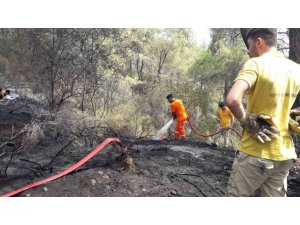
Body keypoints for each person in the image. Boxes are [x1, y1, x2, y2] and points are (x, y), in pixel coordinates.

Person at [225, 28, 300, 197]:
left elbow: (233, 100)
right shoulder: (296, 69)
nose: (248, 50)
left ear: (259, 42)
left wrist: (246, 122)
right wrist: (291, 115)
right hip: (284, 155)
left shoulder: (256, 64)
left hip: (255, 153)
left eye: (249, 45)